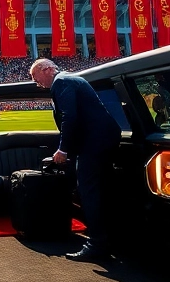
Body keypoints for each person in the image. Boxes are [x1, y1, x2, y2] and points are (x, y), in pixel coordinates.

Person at [30, 59, 123, 262]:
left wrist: (63, 149)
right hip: (104, 140)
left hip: (93, 143)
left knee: (88, 191)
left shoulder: (61, 82)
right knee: (103, 188)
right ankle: (110, 239)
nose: (38, 84)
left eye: (37, 78)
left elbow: (69, 116)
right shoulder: (72, 78)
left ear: (47, 69)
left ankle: (96, 244)